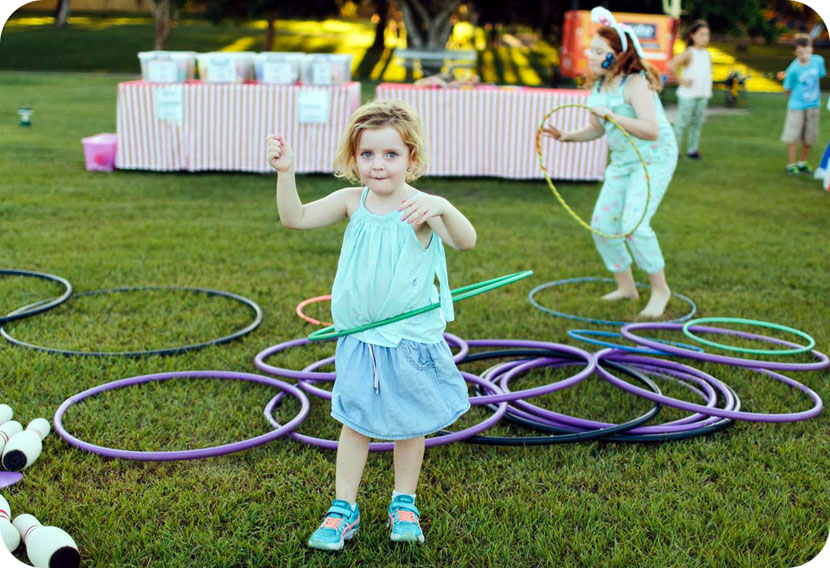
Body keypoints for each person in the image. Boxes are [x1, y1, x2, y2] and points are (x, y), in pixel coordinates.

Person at [266, 99, 476, 551]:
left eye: (391, 155)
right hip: (361, 338)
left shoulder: (419, 208)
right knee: (355, 421)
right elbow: (294, 218)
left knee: (410, 423)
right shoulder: (350, 202)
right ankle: (344, 508)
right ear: (353, 157)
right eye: (367, 155)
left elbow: (465, 241)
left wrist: (441, 206)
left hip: (408, 339)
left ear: (411, 159)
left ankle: (404, 501)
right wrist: (286, 173)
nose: (378, 166)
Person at [542, 7, 678, 319]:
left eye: (599, 50)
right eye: (591, 48)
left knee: (634, 225)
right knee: (603, 227)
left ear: (616, 55)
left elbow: (651, 129)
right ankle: (627, 287)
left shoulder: (635, 83)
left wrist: (613, 115)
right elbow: (597, 128)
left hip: (653, 159)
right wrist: (566, 136)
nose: (590, 54)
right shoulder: (601, 86)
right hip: (623, 163)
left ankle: (660, 290)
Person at [777, 33, 826, 175]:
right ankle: (791, 164)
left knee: (809, 137)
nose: (803, 55)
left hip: (813, 106)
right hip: (796, 107)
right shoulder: (793, 69)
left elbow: (819, 76)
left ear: (811, 49)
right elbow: (787, 89)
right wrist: (793, 102)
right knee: (793, 136)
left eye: (806, 50)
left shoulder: (818, 61)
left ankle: (802, 162)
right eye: (800, 52)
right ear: (795, 52)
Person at [668, 19, 712, 159]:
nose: (705, 38)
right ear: (692, 36)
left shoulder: (706, 54)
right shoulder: (689, 53)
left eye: (707, 35)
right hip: (688, 96)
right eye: (701, 35)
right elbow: (672, 65)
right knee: (681, 123)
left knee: (697, 123)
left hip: (702, 94)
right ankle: (674, 150)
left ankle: (692, 150)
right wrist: (680, 80)